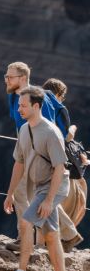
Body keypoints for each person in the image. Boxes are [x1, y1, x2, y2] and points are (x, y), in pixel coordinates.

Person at [3, 62, 80, 252]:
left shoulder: (38, 97)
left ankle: (25, 239)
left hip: (39, 151)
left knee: (25, 193)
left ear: (22, 78)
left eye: (10, 77)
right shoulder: (14, 97)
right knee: (34, 194)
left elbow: (48, 126)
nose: (6, 79)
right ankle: (69, 235)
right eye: (6, 76)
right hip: (25, 146)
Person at [2, 86, 71, 271]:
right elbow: (18, 164)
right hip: (40, 187)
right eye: (19, 105)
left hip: (54, 186)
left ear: (36, 106)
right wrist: (10, 193)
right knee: (51, 236)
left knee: (25, 222)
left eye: (23, 105)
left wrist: (49, 200)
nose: (19, 109)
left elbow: (60, 167)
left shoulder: (51, 132)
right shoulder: (24, 130)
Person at [44, 78, 87, 240]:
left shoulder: (39, 104)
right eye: (63, 96)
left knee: (45, 198)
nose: (63, 100)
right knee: (52, 199)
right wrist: (73, 128)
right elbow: (66, 137)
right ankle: (68, 235)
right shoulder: (59, 108)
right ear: (58, 94)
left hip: (43, 155)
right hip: (57, 160)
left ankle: (54, 239)